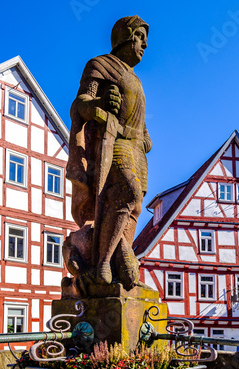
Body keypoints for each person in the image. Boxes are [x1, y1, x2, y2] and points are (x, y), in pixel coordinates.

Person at [65, 15, 152, 292]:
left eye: (145, 38)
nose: (144, 44)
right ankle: (102, 261)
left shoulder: (135, 80)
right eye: (139, 36)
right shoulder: (100, 65)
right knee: (127, 190)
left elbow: (138, 113)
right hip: (115, 140)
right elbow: (81, 103)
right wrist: (100, 103)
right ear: (124, 36)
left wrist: (146, 134)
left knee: (135, 206)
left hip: (137, 147)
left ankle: (118, 259)